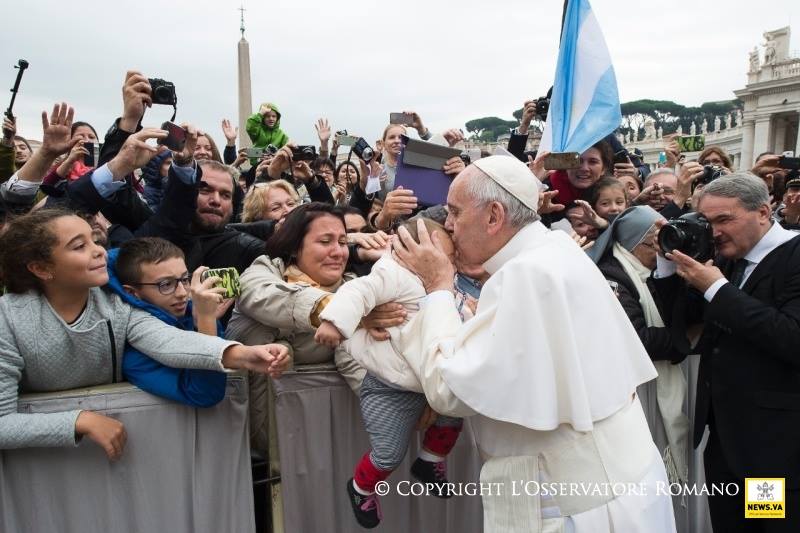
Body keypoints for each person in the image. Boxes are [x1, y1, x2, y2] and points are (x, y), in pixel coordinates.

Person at [392, 155, 676, 532]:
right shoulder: (555, 250)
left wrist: (439, 288)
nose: (448, 224)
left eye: (456, 212)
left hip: (575, 501)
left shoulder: (525, 274)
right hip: (621, 477)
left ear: (494, 216)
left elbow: (450, 390)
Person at [0, 209, 289, 460]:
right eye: (79, 246)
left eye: (94, 239)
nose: (99, 250)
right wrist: (79, 421)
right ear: (41, 268)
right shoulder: (7, 318)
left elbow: (166, 341)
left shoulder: (115, 303)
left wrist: (243, 355)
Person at [653, 173, 800, 532]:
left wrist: (717, 288)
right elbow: (685, 320)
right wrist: (668, 266)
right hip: (725, 440)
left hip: (773, 448)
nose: (714, 232)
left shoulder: (794, 256)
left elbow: (792, 338)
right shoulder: (731, 259)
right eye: (707, 221)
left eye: (724, 219)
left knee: (767, 527)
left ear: (764, 213)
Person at [314, 218, 465, 528]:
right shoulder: (391, 273)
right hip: (387, 388)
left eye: (449, 258)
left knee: (455, 414)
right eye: (442, 255)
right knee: (388, 454)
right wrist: (335, 322)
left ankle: (429, 462)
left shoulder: (443, 282)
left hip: (428, 381)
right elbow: (357, 291)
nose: (447, 263)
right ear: (409, 251)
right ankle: (361, 488)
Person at [226, 203, 385, 451]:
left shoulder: (358, 289)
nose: (338, 252)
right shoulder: (264, 270)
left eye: (343, 243)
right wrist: (339, 312)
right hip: (248, 443)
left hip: (323, 442)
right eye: (325, 241)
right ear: (294, 245)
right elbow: (259, 295)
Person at [587, 206, 692, 526]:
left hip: (664, 386)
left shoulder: (660, 269)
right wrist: (687, 341)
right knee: (648, 474)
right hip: (640, 393)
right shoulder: (614, 274)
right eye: (655, 243)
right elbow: (636, 340)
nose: (665, 249)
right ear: (633, 243)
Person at [108, 237, 288, 407]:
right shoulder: (132, 352)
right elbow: (205, 393)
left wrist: (203, 320)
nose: (181, 293)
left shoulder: (192, 311)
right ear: (132, 293)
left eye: (184, 279)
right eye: (165, 284)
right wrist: (206, 319)